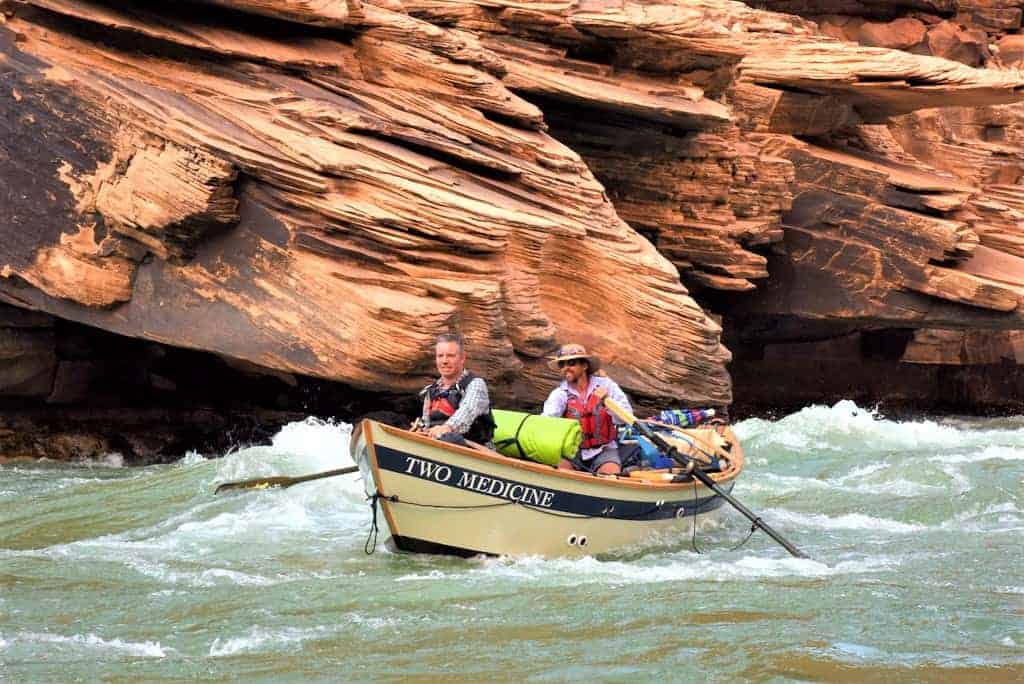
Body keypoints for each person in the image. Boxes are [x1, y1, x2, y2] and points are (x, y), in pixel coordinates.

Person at [542, 343, 632, 475]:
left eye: (571, 363)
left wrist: (608, 401)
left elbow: (626, 416)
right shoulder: (559, 394)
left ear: (584, 366)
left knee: (611, 475)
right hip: (572, 450)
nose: (566, 368)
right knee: (560, 472)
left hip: (604, 449)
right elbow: (546, 421)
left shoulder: (607, 386)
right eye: (562, 365)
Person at [419, 333, 496, 447]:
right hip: (436, 445)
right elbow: (426, 425)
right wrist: (421, 431)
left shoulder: (476, 385)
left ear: (462, 358)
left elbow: (467, 411)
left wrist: (447, 427)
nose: (444, 361)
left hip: (472, 449)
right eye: (440, 356)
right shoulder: (431, 390)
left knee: (450, 438)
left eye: (450, 356)